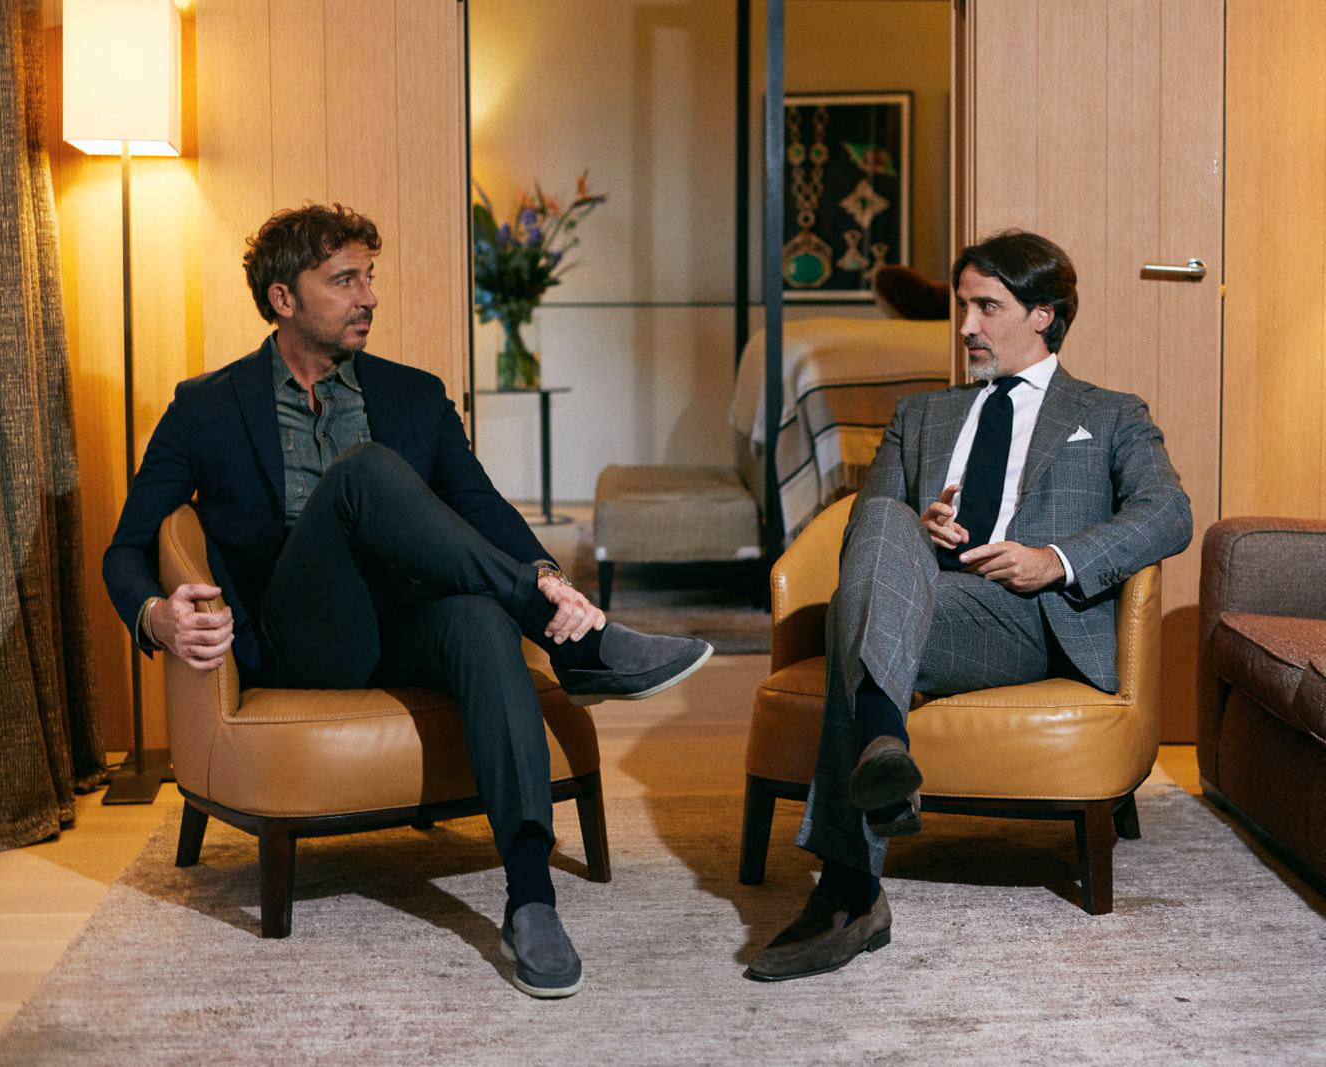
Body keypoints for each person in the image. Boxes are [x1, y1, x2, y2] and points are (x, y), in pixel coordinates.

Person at [103, 203, 712, 999]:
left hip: (407, 626)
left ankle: (530, 895)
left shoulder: (415, 394)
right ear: (283, 298)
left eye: (369, 277)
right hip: (305, 639)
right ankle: (577, 647)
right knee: (362, 472)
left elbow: (482, 506)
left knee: (480, 618)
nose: (368, 297)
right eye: (343, 280)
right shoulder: (206, 407)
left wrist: (547, 577)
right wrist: (156, 616)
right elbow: (125, 548)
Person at [747, 230, 1192, 982]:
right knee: (881, 516)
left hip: (1024, 619)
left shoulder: (1111, 412)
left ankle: (848, 886)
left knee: (859, 619)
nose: (965, 327)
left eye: (987, 307)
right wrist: (918, 531)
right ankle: (880, 765)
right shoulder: (920, 414)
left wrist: (1053, 559)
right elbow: (862, 535)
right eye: (962, 306)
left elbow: (1168, 513)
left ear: (1043, 315)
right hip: (916, 602)